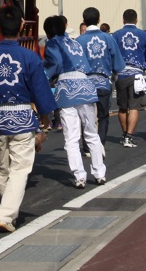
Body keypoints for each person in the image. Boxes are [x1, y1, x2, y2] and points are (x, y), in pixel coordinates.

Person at [0, 6, 56, 233]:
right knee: (20, 168)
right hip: (22, 117)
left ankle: (6, 211)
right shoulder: (30, 57)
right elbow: (40, 90)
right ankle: (6, 214)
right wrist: (45, 117)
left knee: (1, 167)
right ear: (22, 26)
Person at [41, 15, 105, 189]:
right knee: (91, 133)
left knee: (72, 137)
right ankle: (100, 173)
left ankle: (79, 176)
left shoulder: (53, 43)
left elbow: (54, 63)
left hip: (67, 89)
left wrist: (42, 77)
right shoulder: (75, 42)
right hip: (86, 86)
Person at [78, 8, 124, 146]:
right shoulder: (108, 38)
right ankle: (100, 144)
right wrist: (114, 75)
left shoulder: (79, 40)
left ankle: (87, 147)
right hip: (103, 82)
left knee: (86, 116)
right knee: (103, 116)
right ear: (99, 19)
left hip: (85, 83)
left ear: (84, 21)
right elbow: (118, 63)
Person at [111, 9, 146, 147]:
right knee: (134, 106)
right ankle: (129, 136)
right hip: (137, 74)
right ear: (136, 19)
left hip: (121, 74)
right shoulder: (144, 35)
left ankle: (124, 134)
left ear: (123, 19)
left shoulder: (115, 35)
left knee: (122, 107)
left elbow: (112, 54)